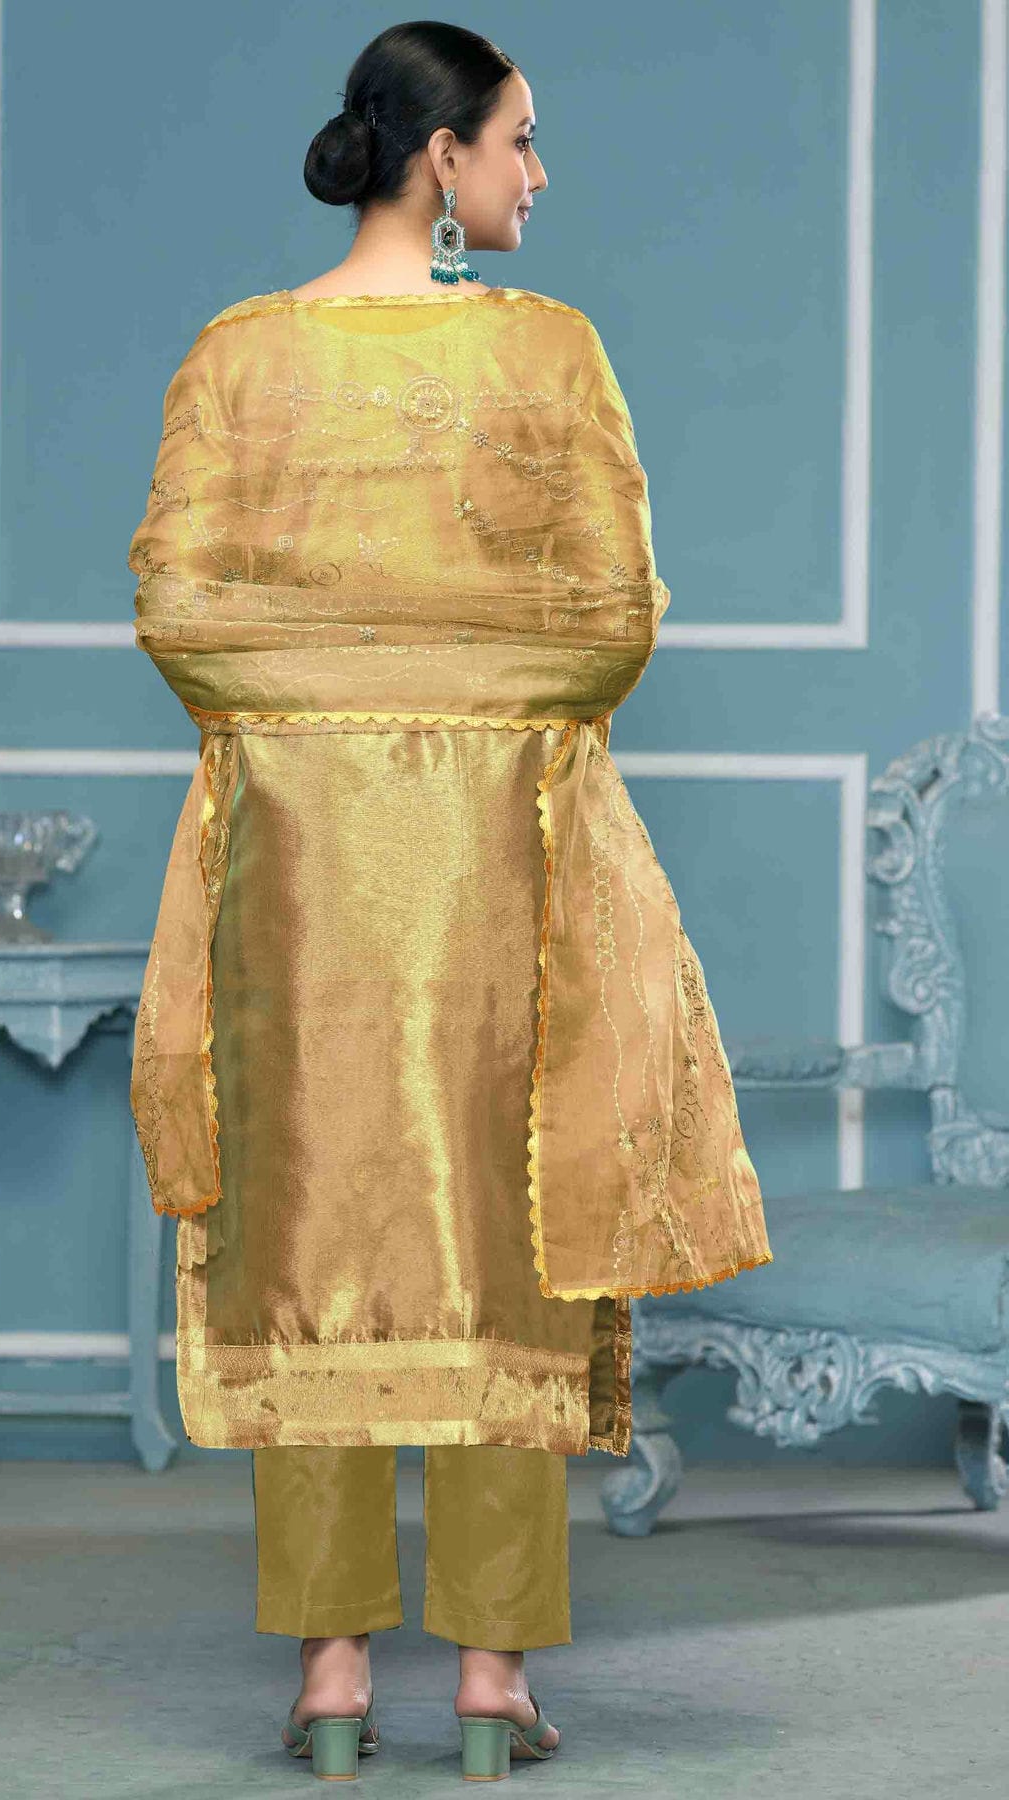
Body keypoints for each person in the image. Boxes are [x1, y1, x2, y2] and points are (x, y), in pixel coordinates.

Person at [127, 20, 773, 1783]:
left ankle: (334, 1678)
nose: (537, 174)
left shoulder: (238, 357)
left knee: (307, 1239)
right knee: (510, 1232)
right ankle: (490, 1679)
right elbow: (608, 623)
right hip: (504, 854)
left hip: (298, 867)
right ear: (444, 158)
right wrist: (474, 678)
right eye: (521, 139)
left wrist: (327, 684)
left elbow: (189, 615)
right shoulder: (552, 354)